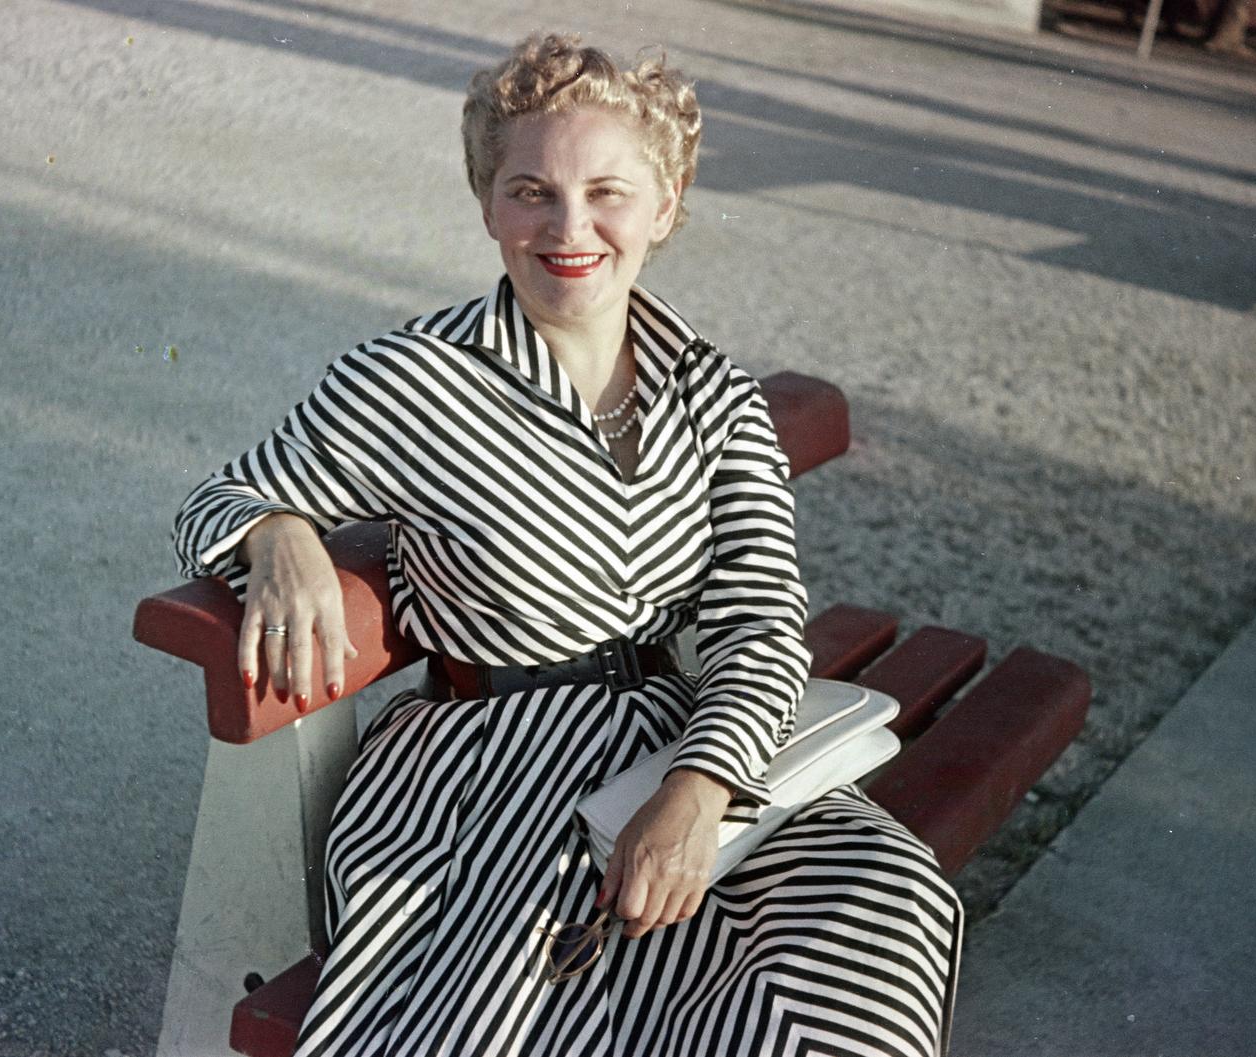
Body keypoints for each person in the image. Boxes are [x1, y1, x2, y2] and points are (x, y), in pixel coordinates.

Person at [172, 32, 963, 1057]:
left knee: (880, 909)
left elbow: (761, 621)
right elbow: (221, 497)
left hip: (683, 746)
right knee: (580, 1008)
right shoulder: (416, 379)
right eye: (531, 191)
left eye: (607, 193)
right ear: (487, 204)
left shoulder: (714, 393)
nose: (568, 227)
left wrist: (697, 791)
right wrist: (279, 536)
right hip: (490, 780)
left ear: (665, 205)